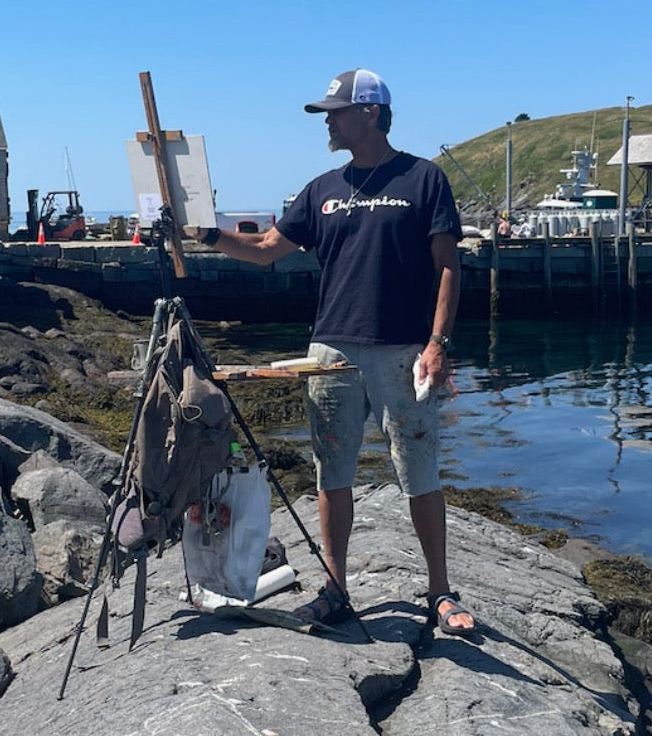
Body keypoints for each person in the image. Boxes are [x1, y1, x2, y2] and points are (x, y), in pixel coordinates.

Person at [190, 68, 475, 636]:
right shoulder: (323, 188)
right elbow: (268, 250)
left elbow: (448, 265)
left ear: (370, 113)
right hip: (330, 351)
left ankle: (439, 592)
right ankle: (336, 589)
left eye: (336, 112)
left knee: (419, 473)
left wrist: (438, 344)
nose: (329, 122)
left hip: (403, 351)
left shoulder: (423, 179)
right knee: (332, 474)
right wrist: (206, 235)